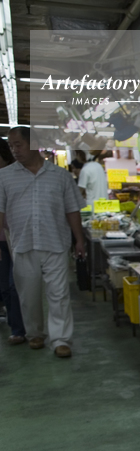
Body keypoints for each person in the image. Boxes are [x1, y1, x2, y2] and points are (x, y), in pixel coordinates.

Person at [0, 126, 86, 358]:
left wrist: (79, 240)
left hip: (55, 242)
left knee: (59, 294)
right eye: (11, 146)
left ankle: (60, 339)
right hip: (22, 243)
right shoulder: (4, 177)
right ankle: (35, 333)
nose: (14, 150)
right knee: (28, 295)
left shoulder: (60, 176)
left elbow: (72, 210)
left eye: (18, 145)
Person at [0, 137, 25, 344]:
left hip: (16, 237)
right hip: (2, 241)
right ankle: (15, 325)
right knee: (5, 287)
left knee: (14, 285)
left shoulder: (15, 175)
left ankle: (19, 329)